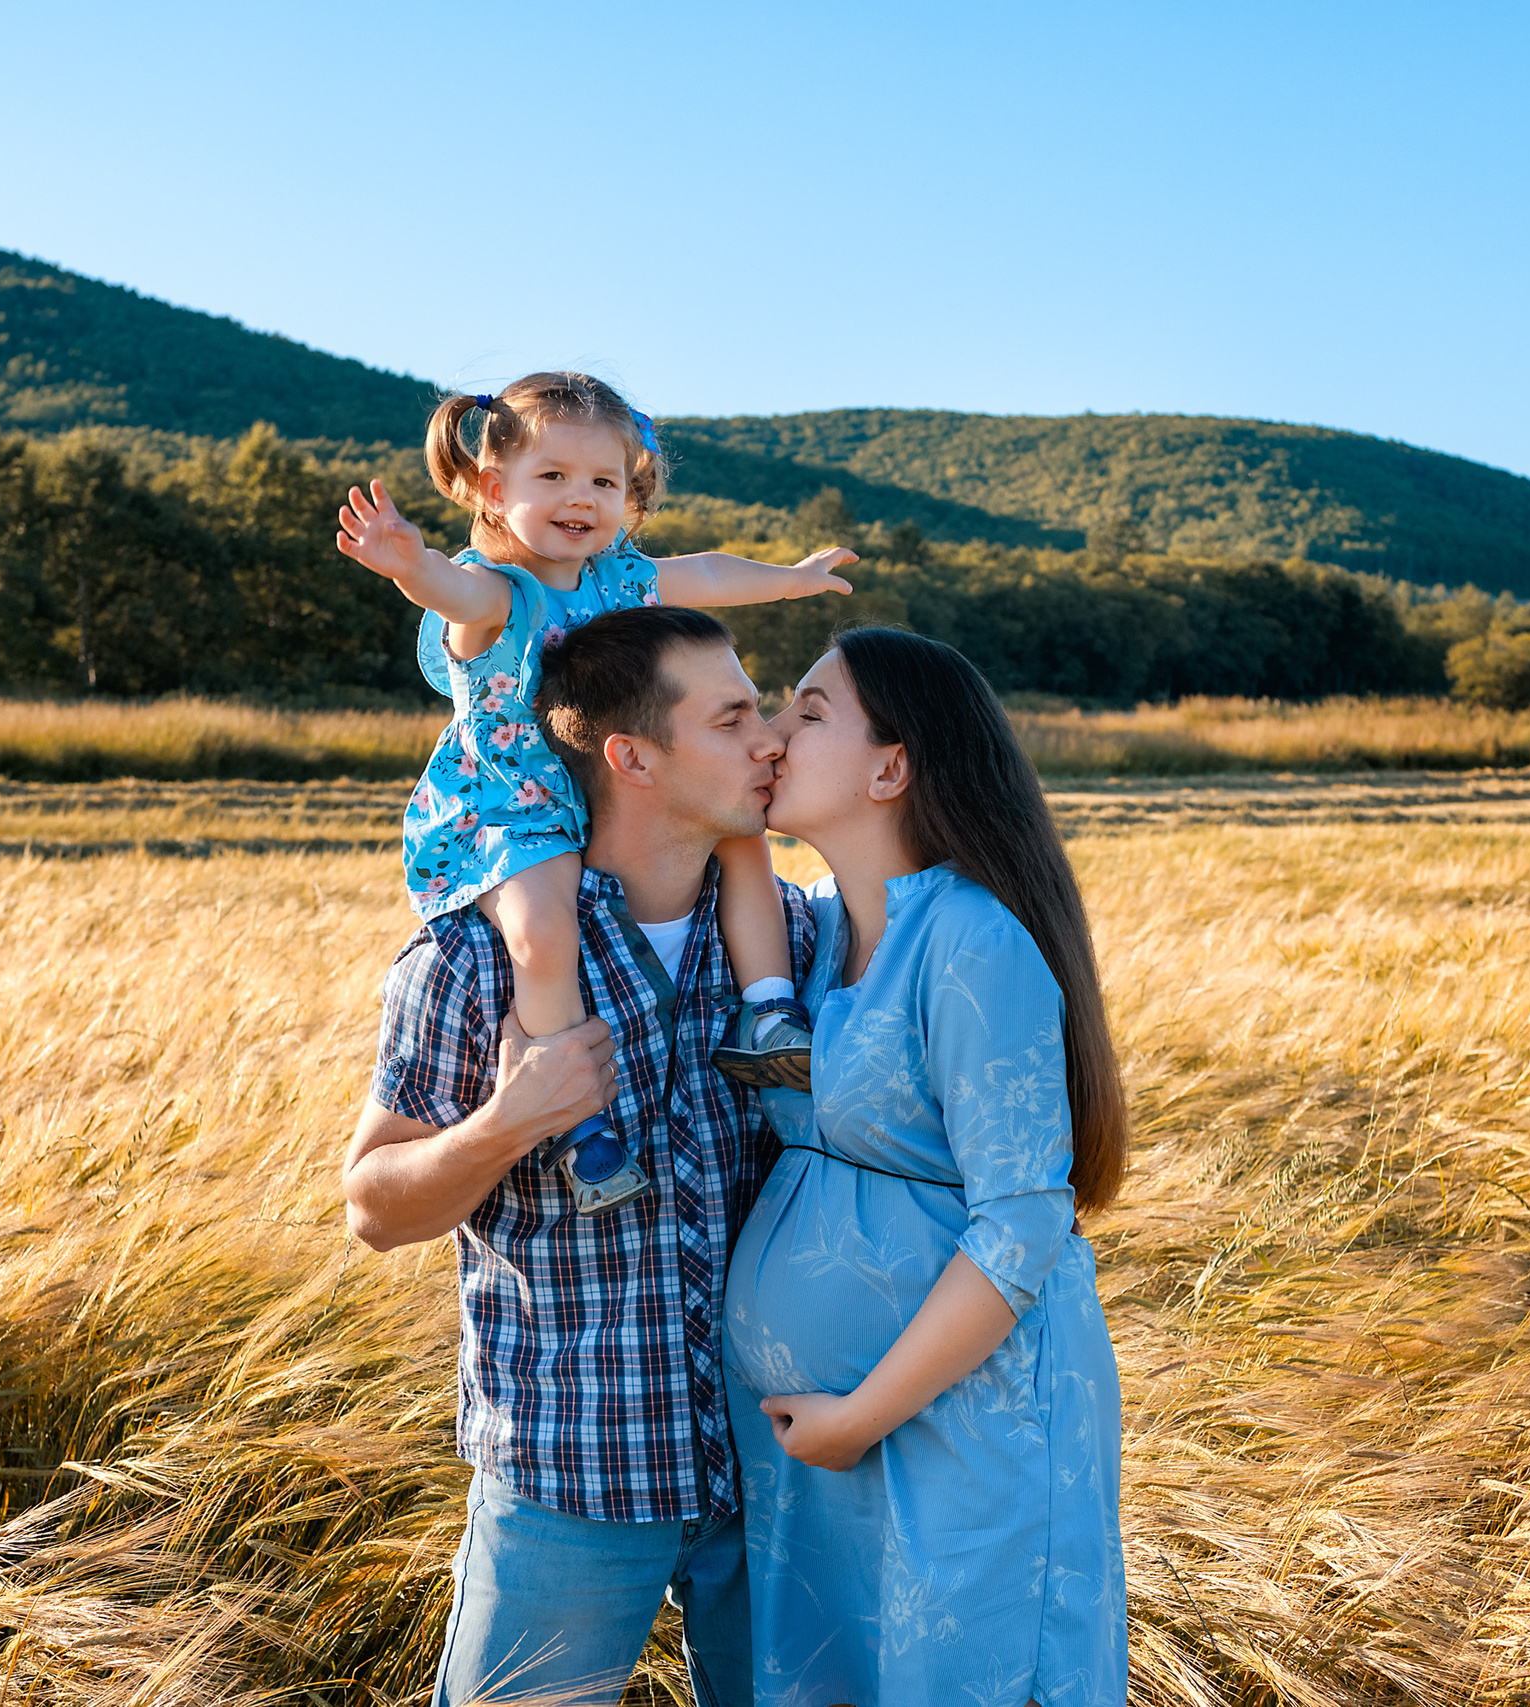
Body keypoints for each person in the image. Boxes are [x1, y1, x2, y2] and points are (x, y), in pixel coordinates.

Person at [342, 606, 813, 1707]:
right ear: (632, 756)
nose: (770, 739)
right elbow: (373, 1205)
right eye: (734, 716)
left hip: (785, 1472)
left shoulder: (791, 938)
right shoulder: (471, 958)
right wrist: (510, 1120)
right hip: (571, 1481)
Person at [722, 626, 1131, 1707]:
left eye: (806, 714)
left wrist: (862, 1415)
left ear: (890, 767)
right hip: (816, 1451)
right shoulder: (806, 934)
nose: (772, 733)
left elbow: (1022, 1224)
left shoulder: (969, 939)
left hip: (956, 1422)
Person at [335, 372, 852, 1201]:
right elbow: (453, 591)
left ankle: (769, 1012)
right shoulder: (502, 594)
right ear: (496, 493)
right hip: (514, 802)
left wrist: (793, 578)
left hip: (606, 784)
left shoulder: (617, 577)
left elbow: (710, 576)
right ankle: (578, 1124)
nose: (582, 499)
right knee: (543, 930)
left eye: (604, 482)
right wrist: (409, 566)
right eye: (554, 479)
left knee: (743, 837)